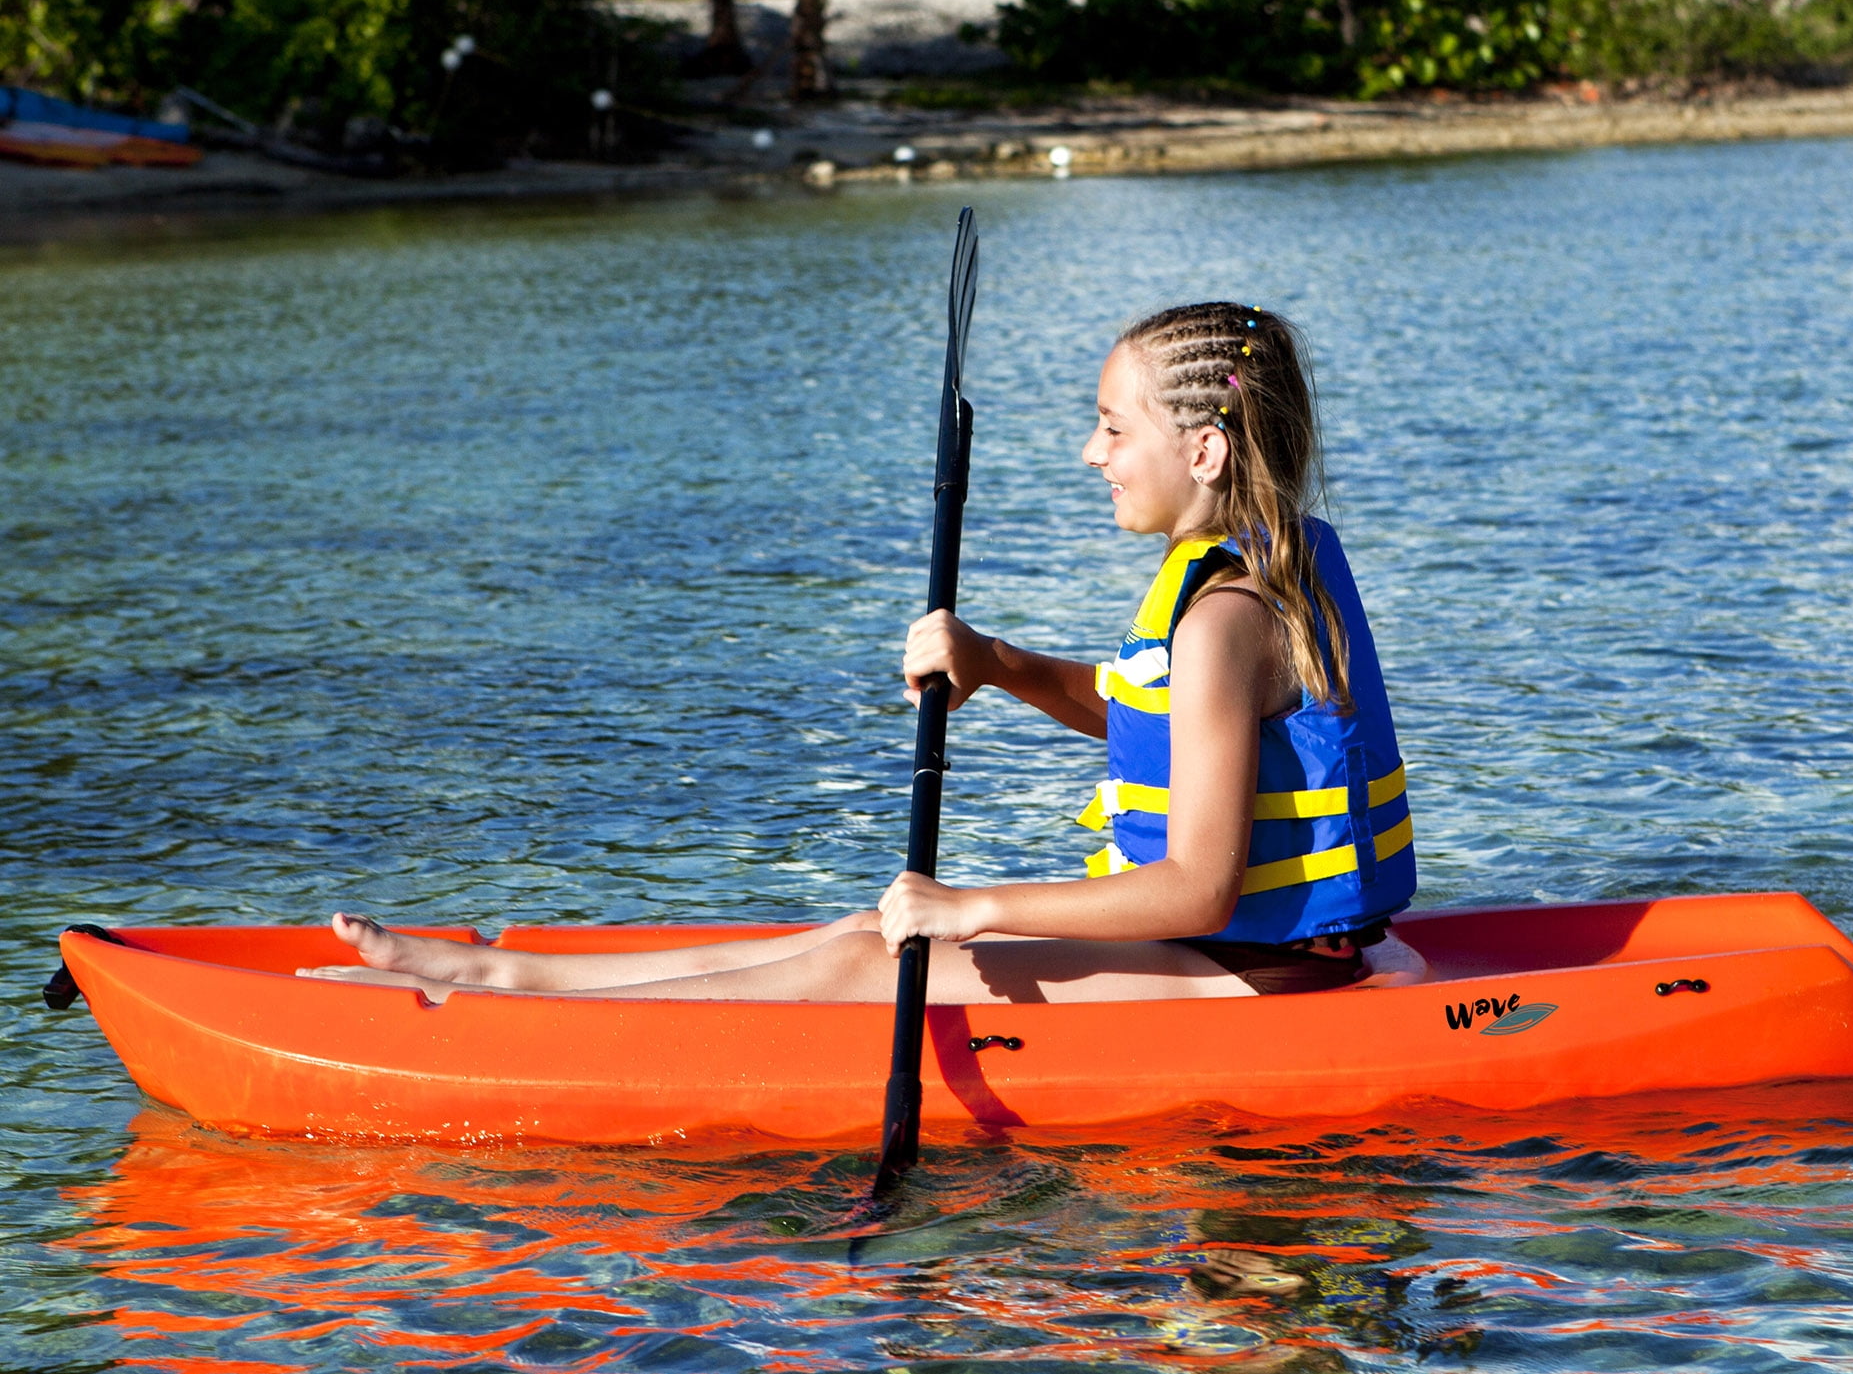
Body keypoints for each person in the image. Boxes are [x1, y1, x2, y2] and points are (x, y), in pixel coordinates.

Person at [302, 301, 1420, 1005]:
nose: (1092, 452)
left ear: (1206, 447)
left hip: (1263, 976)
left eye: (1113, 427)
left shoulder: (1227, 616)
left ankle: (499, 1000)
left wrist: (972, 905)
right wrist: (997, 660)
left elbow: (1196, 885)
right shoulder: (1249, 570)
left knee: (881, 954)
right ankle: (500, 973)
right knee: (857, 930)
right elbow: (1164, 722)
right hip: (1250, 955)